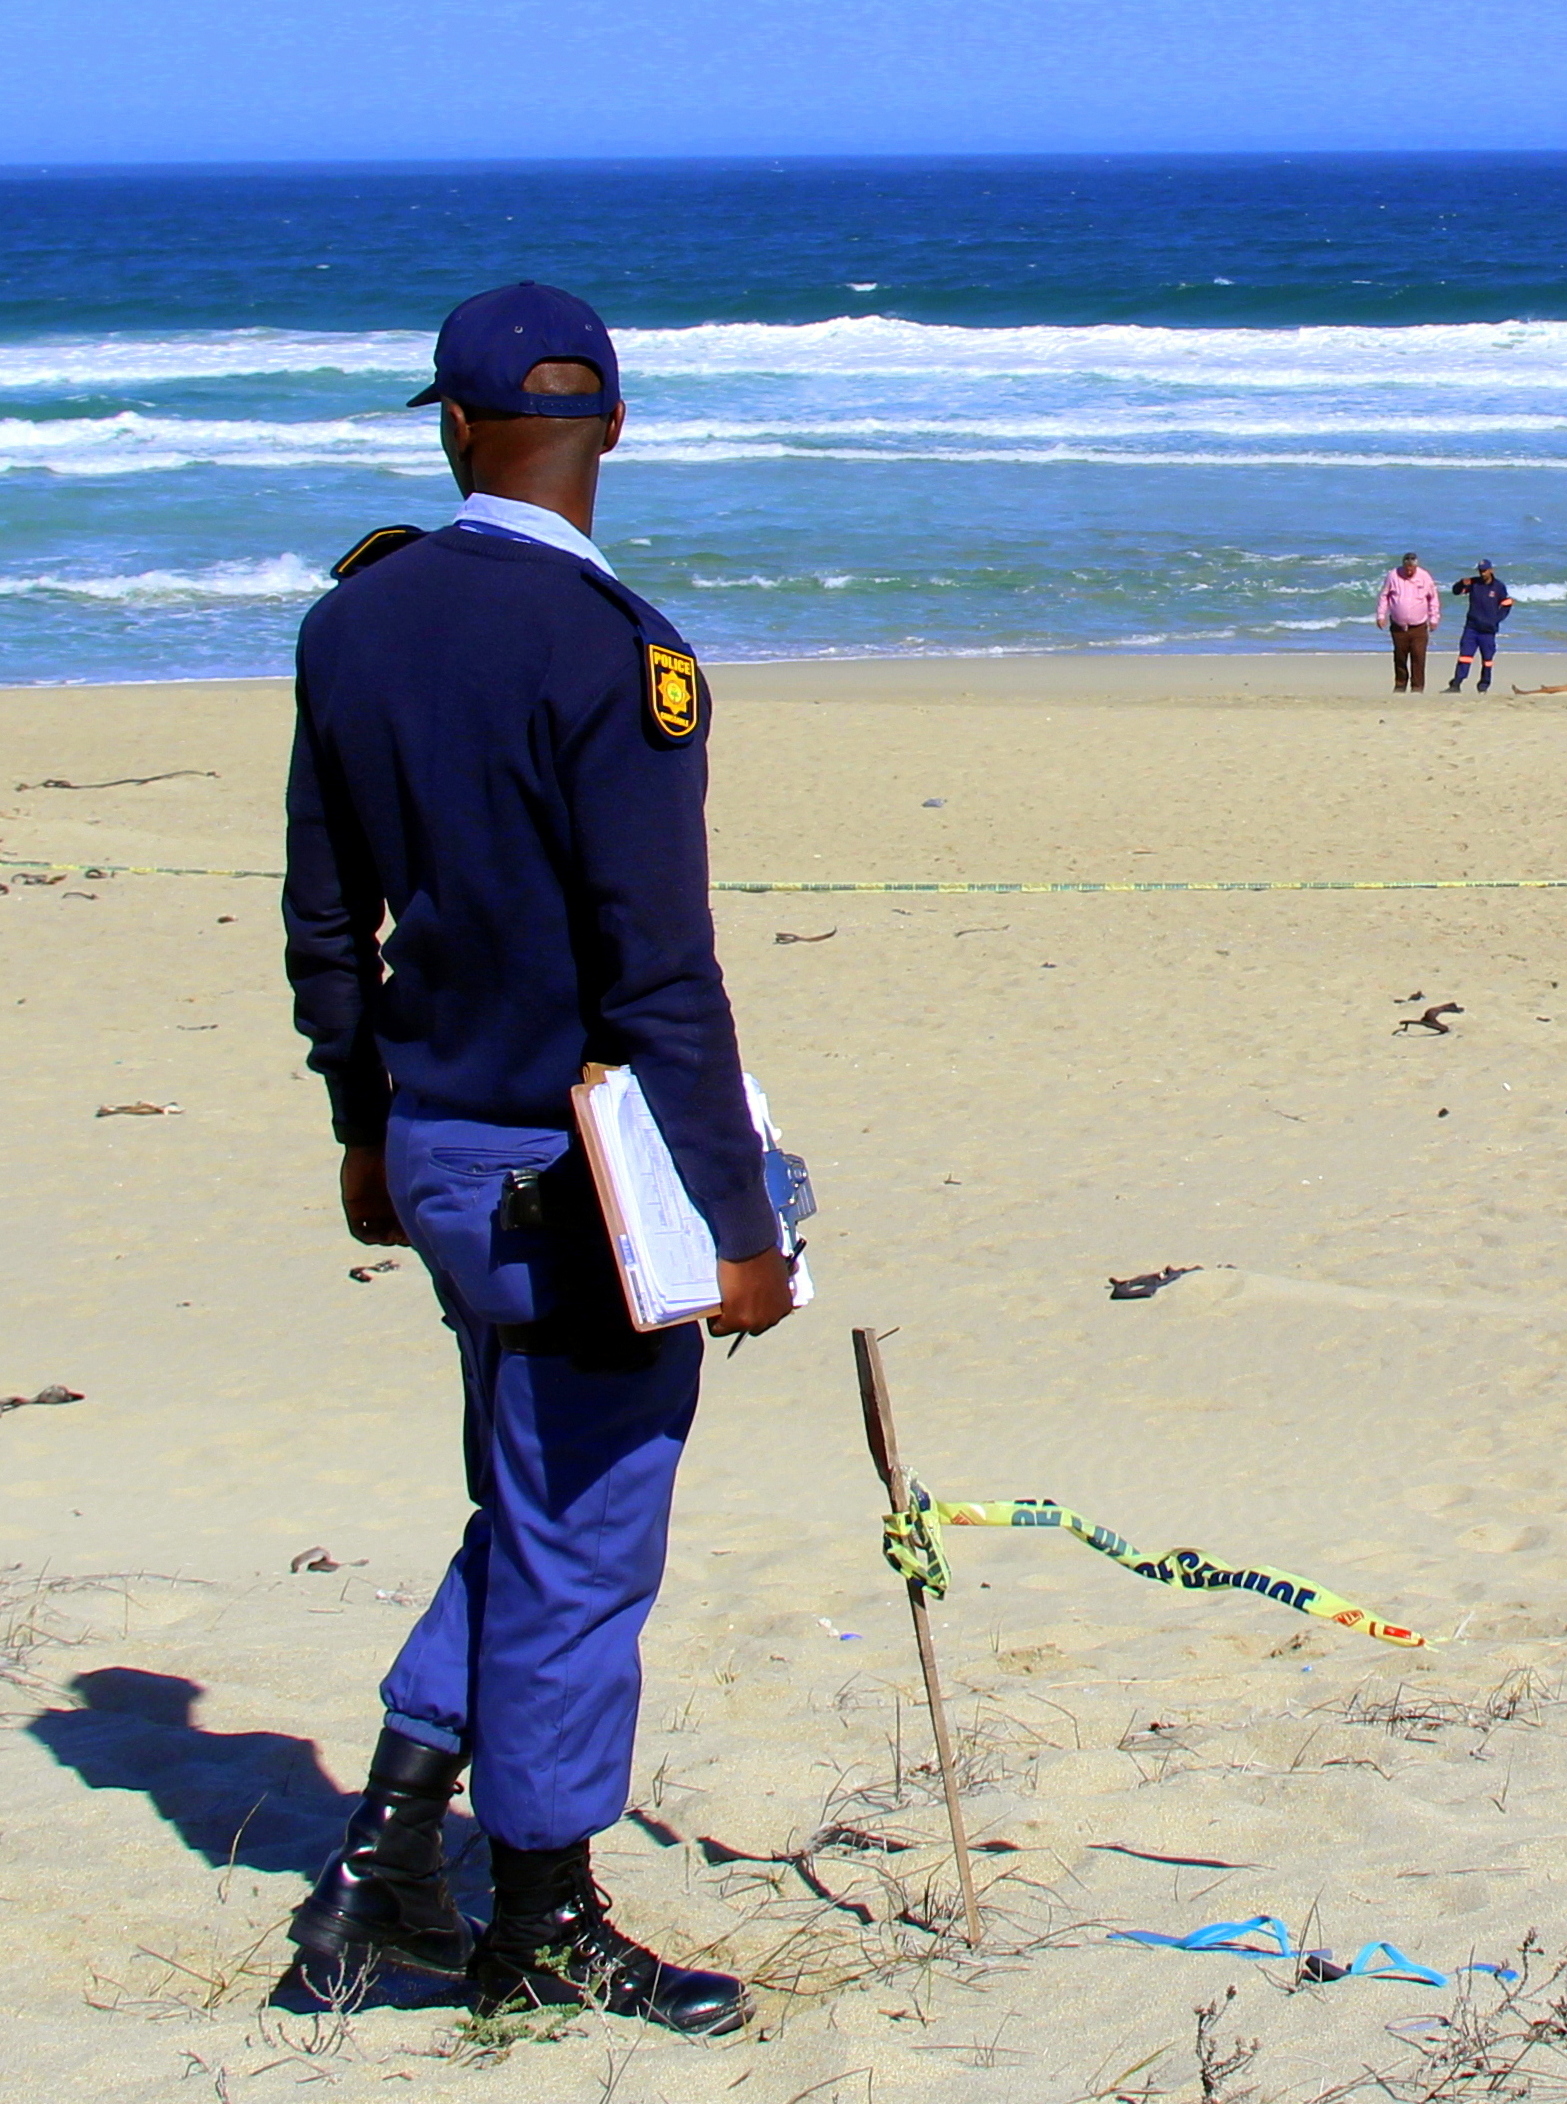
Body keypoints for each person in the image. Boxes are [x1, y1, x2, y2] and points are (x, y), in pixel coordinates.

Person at [280, 282, 795, 2035]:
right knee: (582, 1535)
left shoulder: (351, 626)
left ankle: (378, 1864)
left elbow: (323, 920)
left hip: (433, 1141)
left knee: (532, 1493)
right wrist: (740, 1217)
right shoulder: (618, 650)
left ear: (450, 425)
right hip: (576, 1166)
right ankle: (539, 1917)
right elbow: (660, 968)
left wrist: (360, 1123)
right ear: (617, 429)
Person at [1374, 552, 1439, 693]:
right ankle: (1400, 685)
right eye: (1407, 567)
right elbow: (1384, 596)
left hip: (1419, 626)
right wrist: (1381, 615)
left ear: (1416, 566)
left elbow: (1433, 598)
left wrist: (1434, 618)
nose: (1409, 571)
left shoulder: (1424, 577)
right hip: (1398, 626)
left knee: (1418, 657)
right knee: (1400, 657)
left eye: (1412, 568)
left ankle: (1417, 687)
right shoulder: (1393, 575)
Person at [1448, 559, 1516, 692]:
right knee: (1465, 656)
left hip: (1488, 631)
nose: (1482, 573)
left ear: (1491, 570)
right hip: (1471, 628)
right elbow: (1456, 591)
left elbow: (1507, 604)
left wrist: (1496, 619)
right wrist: (1461, 583)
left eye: (1484, 570)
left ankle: (1483, 686)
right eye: (1480, 571)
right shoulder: (1473, 583)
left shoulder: (1498, 587)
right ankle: (1456, 684)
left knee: (1487, 660)